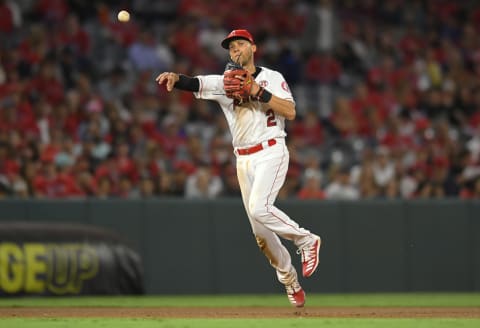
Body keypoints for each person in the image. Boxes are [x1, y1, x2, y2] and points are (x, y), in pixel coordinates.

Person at [155, 29, 321, 308]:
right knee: (262, 236)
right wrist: (175, 78)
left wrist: (257, 91)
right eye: (231, 47)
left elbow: (290, 112)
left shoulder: (273, 77)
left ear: (253, 47)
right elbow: (196, 83)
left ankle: (306, 240)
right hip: (243, 160)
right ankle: (289, 278)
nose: (235, 50)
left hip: (271, 150)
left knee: (259, 208)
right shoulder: (226, 82)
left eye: (240, 44)